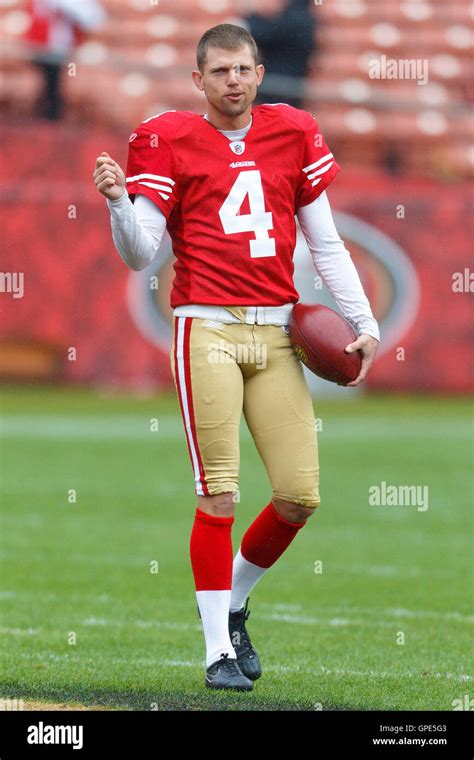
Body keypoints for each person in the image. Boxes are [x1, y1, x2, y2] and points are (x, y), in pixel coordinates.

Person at [93, 24, 379, 692]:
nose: (234, 81)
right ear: (199, 80)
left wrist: (363, 321)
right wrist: (115, 202)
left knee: (300, 496)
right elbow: (141, 252)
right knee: (219, 494)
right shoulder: (167, 137)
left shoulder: (293, 131)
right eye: (220, 71)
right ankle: (217, 649)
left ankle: (237, 600)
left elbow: (328, 244)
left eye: (244, 69)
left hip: (278, 332)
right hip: (208, 330)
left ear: (259, 72)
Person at [23, 0, 105, 120]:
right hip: (42, 47)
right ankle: (46, 111)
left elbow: (92, 18)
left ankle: (54, 113)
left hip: (63, 50)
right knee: (47, 81)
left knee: (61, 79)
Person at [243, 0, 316, 108]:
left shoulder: (298, 19)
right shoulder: (296, 17)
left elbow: (267, 32)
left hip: (287, 86)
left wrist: (248, 20)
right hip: (274, 86)